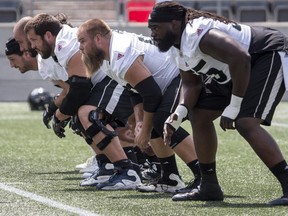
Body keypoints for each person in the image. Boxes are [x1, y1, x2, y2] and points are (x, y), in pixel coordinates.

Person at [147, 1, 288, 205]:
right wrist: (177, 114)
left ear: (174, 24)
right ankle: (209, 186)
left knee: (245, 122)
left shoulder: (197, 33)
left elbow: (241, 57)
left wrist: (234, 105)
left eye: (156, 27)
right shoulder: (176, 46)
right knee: (198, 115)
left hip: (265, 55)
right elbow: (191, 83)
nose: (153, 33)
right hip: (233, 71)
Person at [77, 18, 202, 193]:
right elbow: (134, 89)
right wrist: (140, 121)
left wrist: (144, 129)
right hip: (167, 82)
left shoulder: (120, 52)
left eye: (82, 41)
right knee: (152, 122)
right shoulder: (107, 58)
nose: (80, 47)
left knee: (161, 120)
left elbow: (151, 94)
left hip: (182, 75)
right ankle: (170, 178)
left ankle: (204, 176)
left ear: (98, 38)